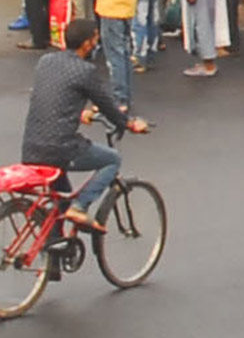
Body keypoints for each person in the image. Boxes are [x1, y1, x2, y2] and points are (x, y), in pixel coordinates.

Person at [20, 19, 149, 233]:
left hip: (32, 148)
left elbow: (50, 97)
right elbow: (109, 107)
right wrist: (130, 124)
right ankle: (80, 206)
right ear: (87, 44)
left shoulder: (46, 61)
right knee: (112, 159)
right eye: (95, 37)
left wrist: (78, 113)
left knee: (60, 198)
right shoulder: (85, 71)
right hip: (60, 149)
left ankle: (53, 254)